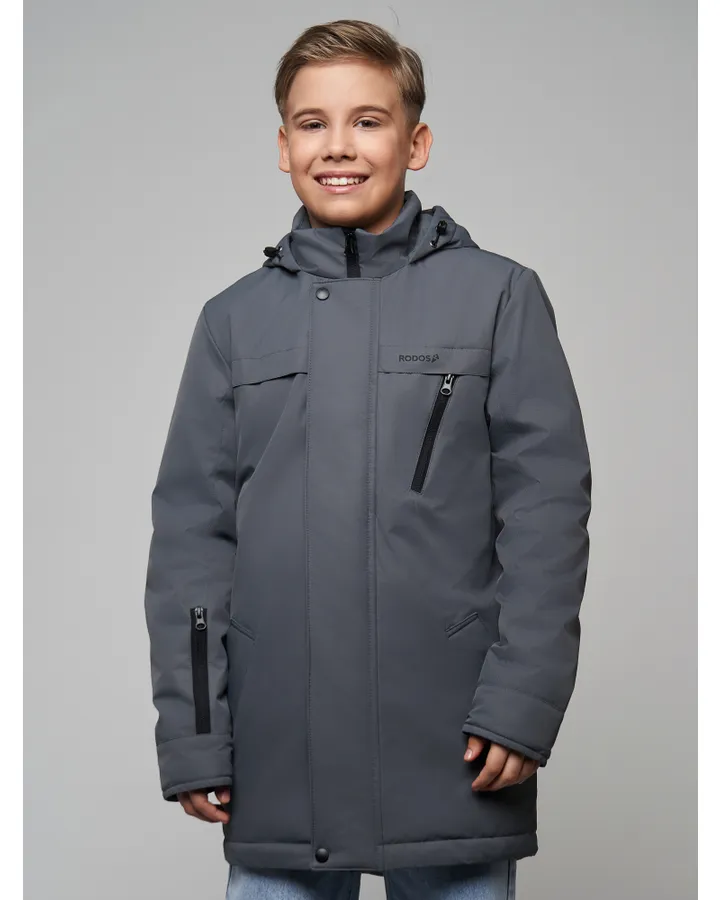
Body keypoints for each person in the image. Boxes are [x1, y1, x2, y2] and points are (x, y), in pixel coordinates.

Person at [143, 18, 592, 900]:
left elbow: (547, 516)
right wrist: (196, 732)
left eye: (368, 121)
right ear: (283, 146)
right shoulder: (232, 321)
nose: (338, 146)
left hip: (453, 739)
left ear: (415, 143)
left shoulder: (498, 297)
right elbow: (192, 539)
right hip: (279, 749)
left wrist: (523, 702)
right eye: (313, 123)